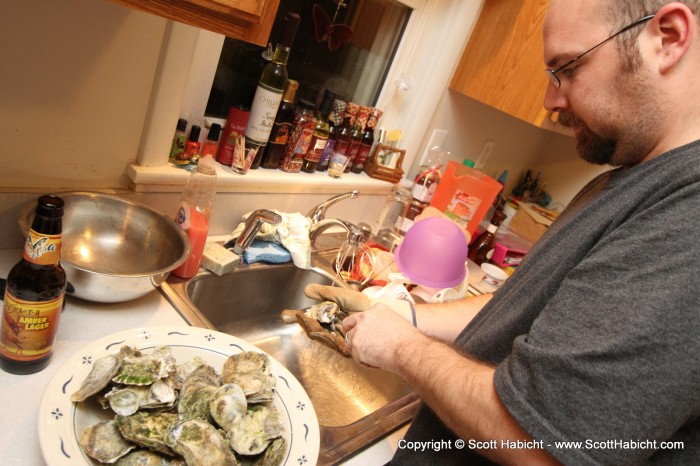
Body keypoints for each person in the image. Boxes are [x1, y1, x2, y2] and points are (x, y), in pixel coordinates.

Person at [308, 0, 700, 464]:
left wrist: (401, 348)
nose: (551, 100)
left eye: (566, 68)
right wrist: (410, 317)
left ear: (669, 37)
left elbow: (547, 445)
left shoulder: (688, 213)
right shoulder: (628, 176)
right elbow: (526, 308)